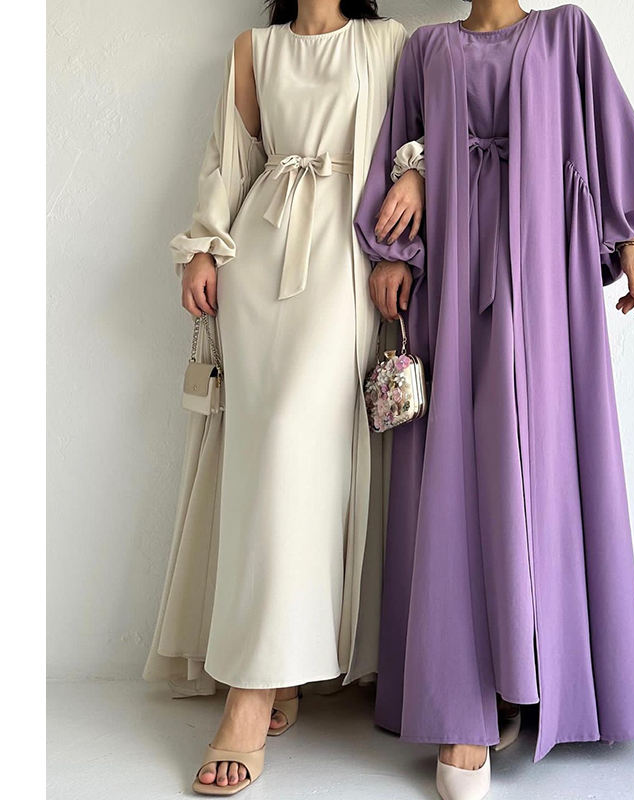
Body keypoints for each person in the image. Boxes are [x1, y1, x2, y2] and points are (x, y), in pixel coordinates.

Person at [355, 2, 634, 798]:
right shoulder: (426, 48)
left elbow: (602, 140)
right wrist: (400, 232)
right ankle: (465, 703)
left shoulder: (567, 32)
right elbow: (407, 142)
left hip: (544, 277)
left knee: (541, 463)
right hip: (454, 276)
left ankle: (531, 677)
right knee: (461, 472)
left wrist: (630, 241)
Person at [143, 1, 407, 794]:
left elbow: (418, 138)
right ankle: (273, 670)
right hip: (258, 260)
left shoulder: (388, 41)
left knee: (298, 448)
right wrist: (202, 246)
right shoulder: (253, 48)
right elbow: (227, 160)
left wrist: (416, 183)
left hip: (345, 263)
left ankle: (252, 696)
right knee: (261, 464)